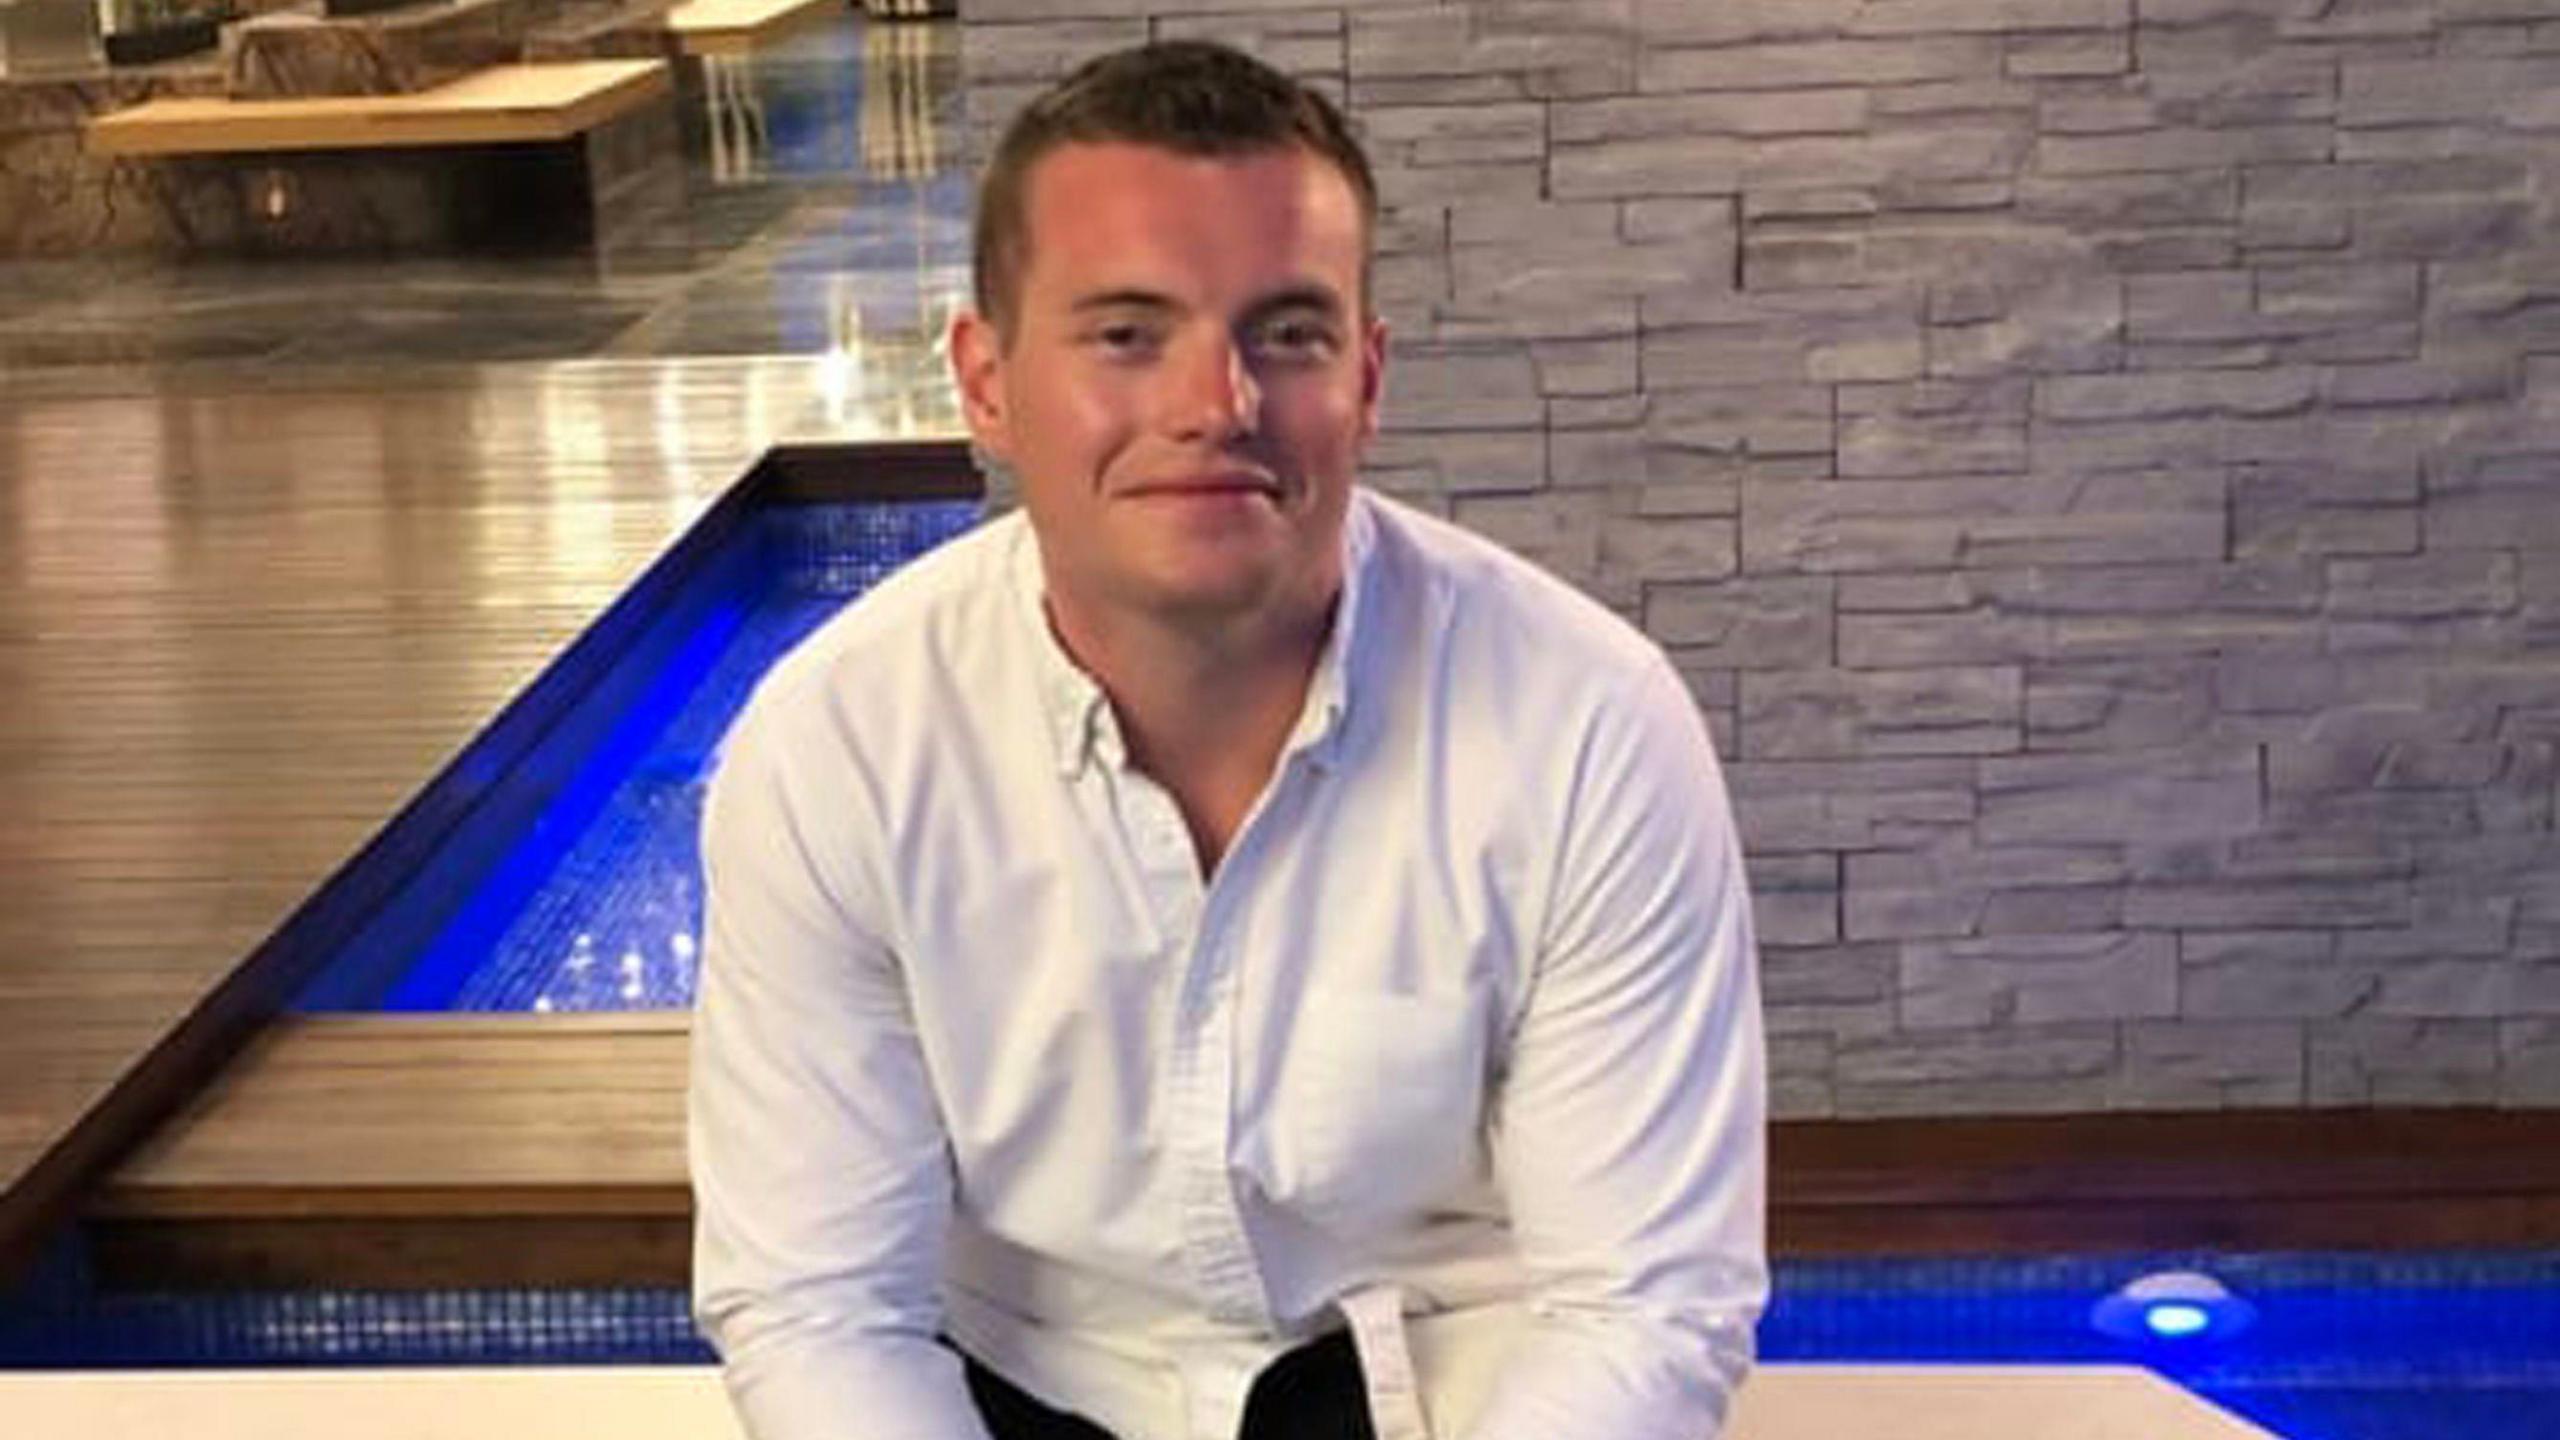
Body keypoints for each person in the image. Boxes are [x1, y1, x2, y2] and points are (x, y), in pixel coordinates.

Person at [688, 39, 1767, 1440]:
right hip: (1015, 1385)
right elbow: (822, 1311)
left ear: (1366, 378)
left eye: (1288, 332)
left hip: (1445, 1390)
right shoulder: (837, 746)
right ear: (986, 379)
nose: (1218, 403)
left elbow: (1641, 1306)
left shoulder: (1590, 728)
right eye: (1128, 333)